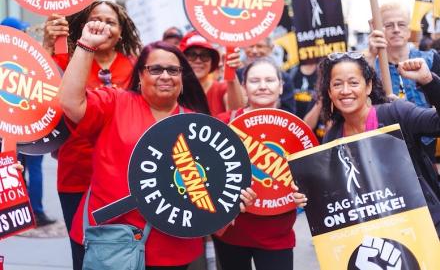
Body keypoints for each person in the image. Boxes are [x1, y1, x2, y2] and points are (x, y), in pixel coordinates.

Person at [58, 21, 256, 269]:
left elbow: (214, 190)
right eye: (156, 69)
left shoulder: (197, 126)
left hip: (173, 250)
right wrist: (86, 45)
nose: (165, 76)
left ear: (182, 79)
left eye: (173, 71)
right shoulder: (115, 102)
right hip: (112, 243)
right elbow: (70, 103)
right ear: (140, 75)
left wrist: (234, 201)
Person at [42, 1, 143, 269]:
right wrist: (46, 44)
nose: (102, 25)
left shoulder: (137, 69)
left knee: (118, 249)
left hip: (120, 180)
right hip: (75, 174)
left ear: (121, 32)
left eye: (110, 21)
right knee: (82, 249)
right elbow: (37, 90)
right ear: (83, 27)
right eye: (95, 19)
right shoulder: (67, 61)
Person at [293, 52, 440, 235]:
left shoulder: (395, 114)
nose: (345, 90)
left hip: (424, 228)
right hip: (379, 238)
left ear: (368, 86)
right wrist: (307, 196)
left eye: (353, 83)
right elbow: (335, 194)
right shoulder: (333, 137)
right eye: (337, 84)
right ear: (330, 92)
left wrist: (429, 81)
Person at [214, 58, 296, 270]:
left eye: (269, 80)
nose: (262, 86)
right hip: (232, 233)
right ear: (243, 87)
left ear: (281, 87)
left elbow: (307, 180)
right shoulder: (223, 122)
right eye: (254, 80)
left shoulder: (296, 129)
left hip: (277, 233)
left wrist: (302, 194)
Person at [1, 16, 56, 227]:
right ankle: (34, 212)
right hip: (29, 124)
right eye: (20, 32)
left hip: (15, 126)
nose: (24, 35)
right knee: (30, 168)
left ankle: (18, 213)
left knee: (16, 169)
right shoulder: (25, 58)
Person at [367, 3, 440, 160]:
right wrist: (370, 57)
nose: (396, 29)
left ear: (408, 30)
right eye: (388, 25)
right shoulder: (370, 65)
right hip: (388, 150)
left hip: (428, 148)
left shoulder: (430, 59)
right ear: (378, 30)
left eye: (401, 24)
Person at [180, 31, 244, 115]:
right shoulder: (176, 89)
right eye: (192, 55)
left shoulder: (221, 89)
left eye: (204, 56)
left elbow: (236, 113)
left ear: (212, 62)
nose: (198, 60)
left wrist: (230, 71)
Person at [238, 37, 295, 113]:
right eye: (251, 46)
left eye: (260, 46)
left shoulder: (284, 77)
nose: (254, 51)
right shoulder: (237, 75)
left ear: (271, 48)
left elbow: (289, 114)